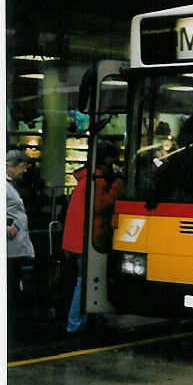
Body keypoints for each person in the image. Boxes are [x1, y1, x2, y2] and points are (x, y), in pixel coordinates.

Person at [62, 142, 122, 333]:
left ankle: (86, 320)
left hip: (76, 240)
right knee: (84, 281)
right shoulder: (99, 181)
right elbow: (101, 205)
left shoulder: (85, 179)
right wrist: (117, 187)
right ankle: (75, 324)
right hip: (89, 240)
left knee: (83, 280)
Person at [7, 149, 36, 318]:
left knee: (13, 281)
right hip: (10, 246)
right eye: (22, 166)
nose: (24, 171)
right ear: (11, 166)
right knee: (10, 284)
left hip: (14, 246)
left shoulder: (10, 183)